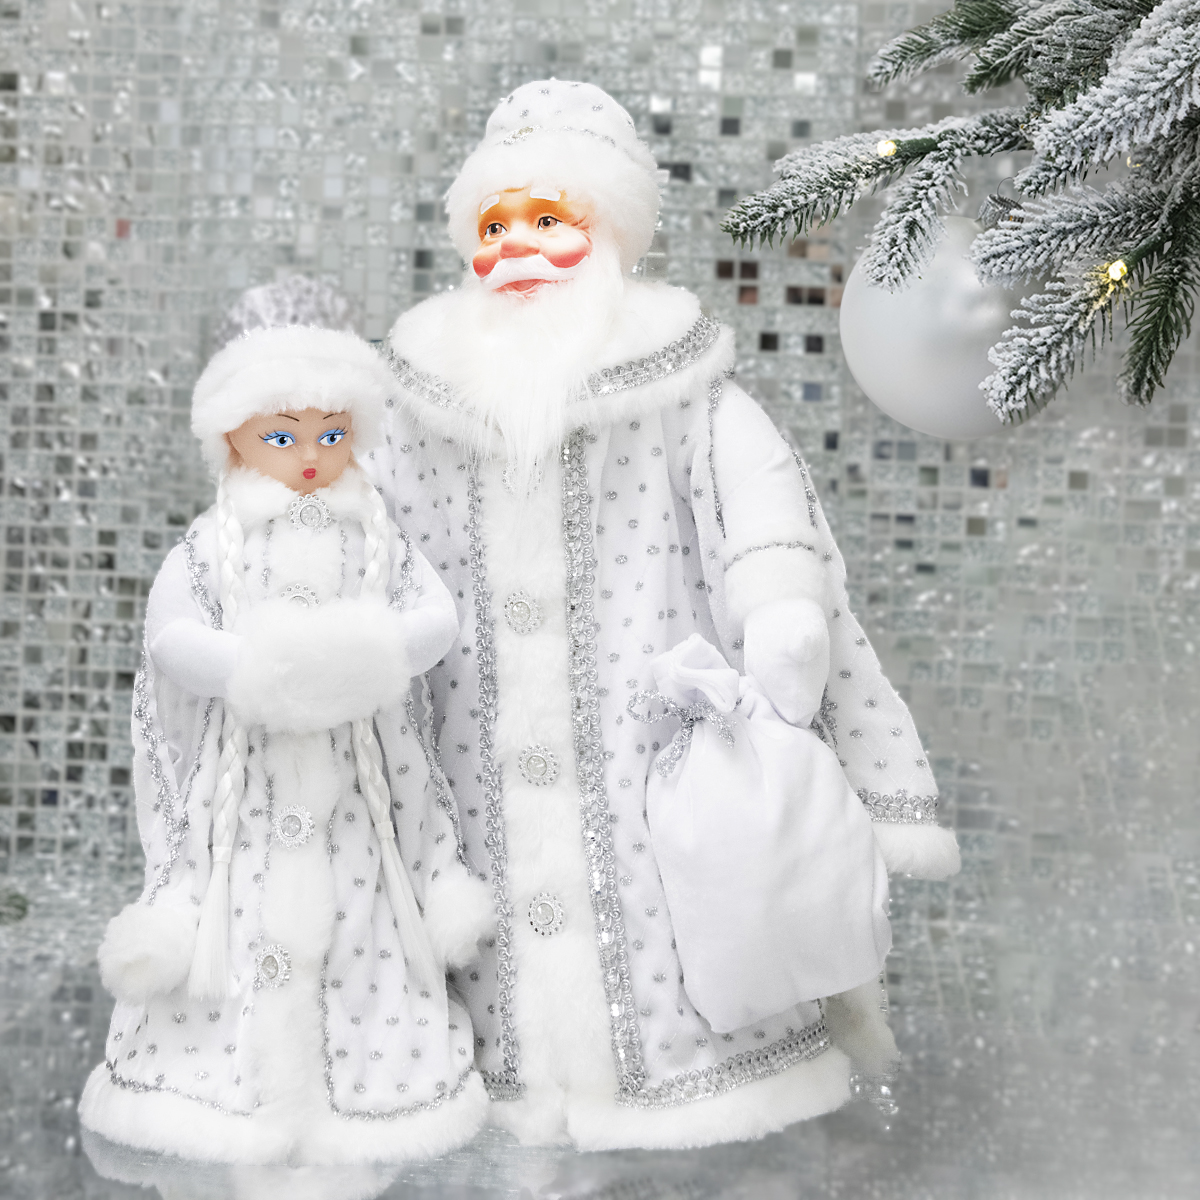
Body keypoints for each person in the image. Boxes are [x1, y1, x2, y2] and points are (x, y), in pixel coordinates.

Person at [369, 79, 962, 1151]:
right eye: (493, 226)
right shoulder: (418, 404)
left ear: (608, 233)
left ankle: (691, 1105)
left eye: (547, 220)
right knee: (480, 910)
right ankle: (513, 1108)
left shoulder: (687, 390)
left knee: (670, 905)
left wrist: (778, 609)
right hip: (467, 733)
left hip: (653, 734)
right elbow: (371, 528)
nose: (516, 246)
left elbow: (763, 507)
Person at [79, 322, 493, 1165]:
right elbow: (172, 638)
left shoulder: (378, 540)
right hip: (247, 792)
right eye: (282, 438)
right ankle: (220, 1086)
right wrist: (258, 672)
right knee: (239, 906)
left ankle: (369, 1088)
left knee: (356, 921)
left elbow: (436, 621)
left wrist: (355, 664)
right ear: (231, 436)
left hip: (355, 792)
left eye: (331, 437)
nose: (310, 457)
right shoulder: (212, 545)